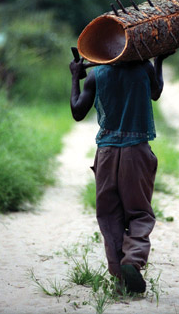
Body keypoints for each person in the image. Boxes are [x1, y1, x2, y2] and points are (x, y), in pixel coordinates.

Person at [69, 52, 172, 293]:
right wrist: (159, 61)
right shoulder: (143, 68)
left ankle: (120, 276)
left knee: (109, 215)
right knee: (139, 212)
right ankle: (132, 262)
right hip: (136, 151)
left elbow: (77, 111)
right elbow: (156, 92)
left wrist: (75, 76)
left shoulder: (96, 75)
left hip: (106, 154)